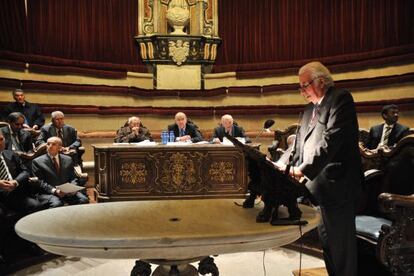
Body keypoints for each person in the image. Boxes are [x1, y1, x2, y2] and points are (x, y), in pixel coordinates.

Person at [275, 61, 362, 276]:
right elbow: (297, 147)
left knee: (342, 251)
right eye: (300, 86)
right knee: (328, 247)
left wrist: (302, 169)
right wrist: (280, 165)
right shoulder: (308, 110)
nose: (302, 91)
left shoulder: (340, 99)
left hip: (338, 187)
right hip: (318, 191)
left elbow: (331, 141)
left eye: (305, 85)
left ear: (321, 81)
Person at [32, 137, 89, 208]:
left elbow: (73, 177)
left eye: (53, 144)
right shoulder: (37, 162)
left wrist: (72, 188)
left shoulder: (68, 159)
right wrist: (55, 191)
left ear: (59, 147)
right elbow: (40, 182)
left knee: (83, 200)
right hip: (49, 193)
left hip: (68, 192)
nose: (50, 146)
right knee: (57, 204)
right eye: (48, 144)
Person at [0, 131, 43, 214]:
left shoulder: (11, 154)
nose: (0, 143)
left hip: (15, 193)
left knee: (36, 206)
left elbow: (25, 171)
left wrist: (16, 182)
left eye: (1, 139)